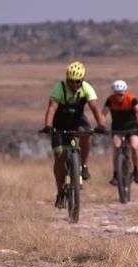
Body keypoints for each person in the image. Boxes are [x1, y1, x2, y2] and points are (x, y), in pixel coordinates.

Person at [40, 61, 107, 208]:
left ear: (82, 80)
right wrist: (48, 126)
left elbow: (95, 108)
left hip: (77, 120)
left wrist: (101, 125)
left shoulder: (87, 88)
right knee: (59, 157)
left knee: (87, 134)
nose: (74, 84)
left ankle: (83, 164)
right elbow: (51, 109)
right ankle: (60, 192)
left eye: (77, 82)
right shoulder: (59, 88)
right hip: (59, 123)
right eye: (71, 81)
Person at [102, 80, 138, 185]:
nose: (119, 96)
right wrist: (101, 125)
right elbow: (103, 114)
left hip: (132, 127)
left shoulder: (131, 99)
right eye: (116, 94)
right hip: (117, 128)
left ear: (124, 92)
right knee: (116, 146)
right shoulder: (110, 100)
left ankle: (136, 170)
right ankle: (115, 174)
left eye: (121, 94)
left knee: (134, 146)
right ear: (113, 92)